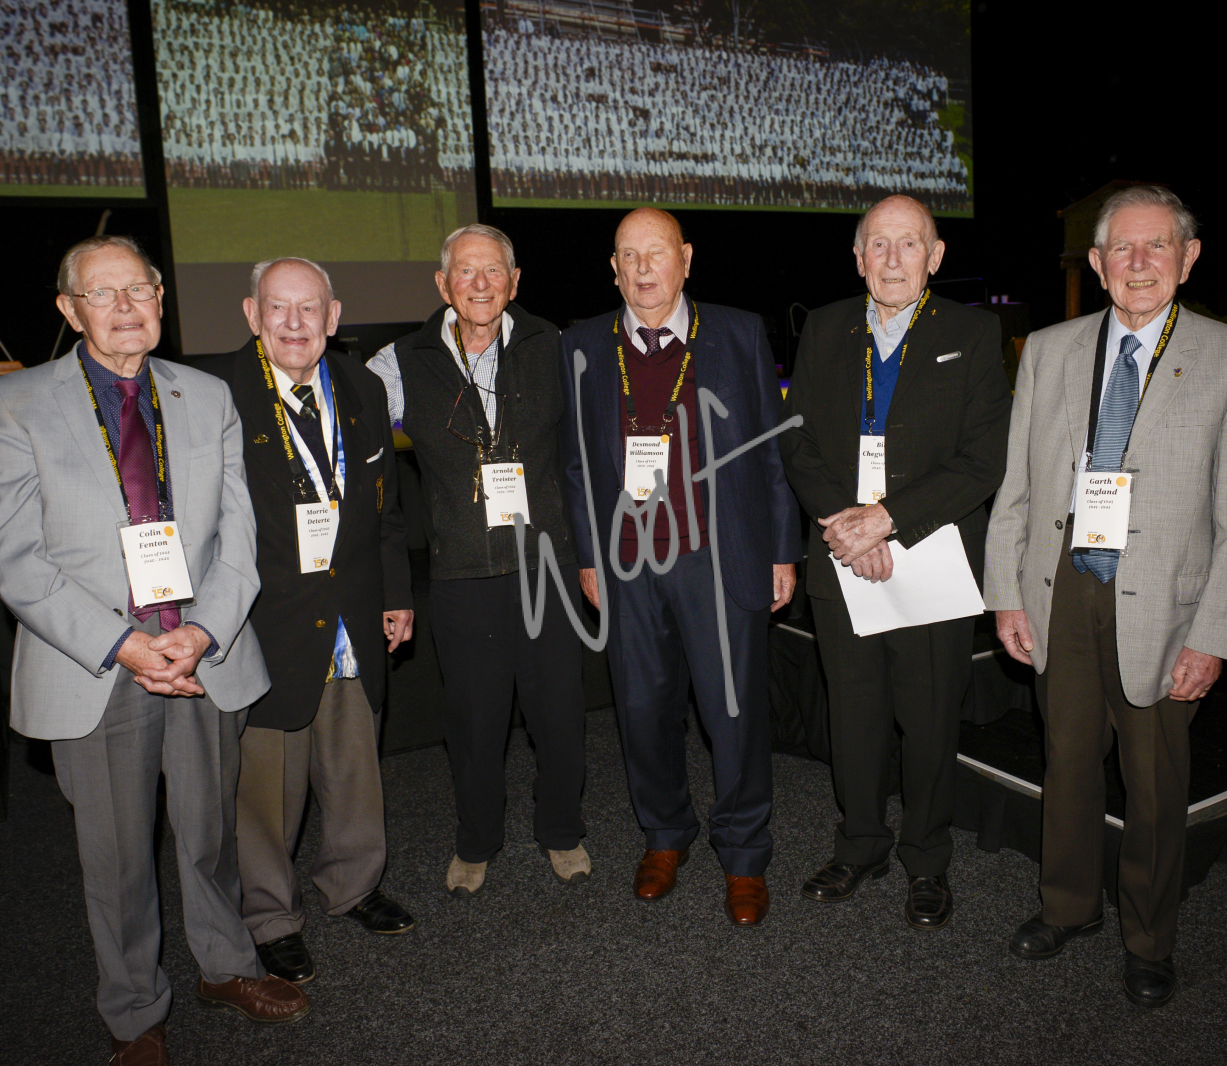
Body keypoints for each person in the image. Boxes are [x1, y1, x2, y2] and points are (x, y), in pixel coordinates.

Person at [0, 236, 308, 1066]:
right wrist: (124, 645)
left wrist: (202, 632)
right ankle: (134, 1014)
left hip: (201, 657)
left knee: (209, 833)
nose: (126, 307)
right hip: (93, 662)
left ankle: (226, 967)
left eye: (140, 290)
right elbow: (14, 557)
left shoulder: (207, 395)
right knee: (118, 857)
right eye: (104, 293)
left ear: (162, 299)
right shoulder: (16, 403)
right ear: (69, 310)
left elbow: (240, 536)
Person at [983, 185, 1227, 1007]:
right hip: (1063, 587)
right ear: (1097, 262)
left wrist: (1213, 636)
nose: (1139, 263)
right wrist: (1006, 593)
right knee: (1068, 761)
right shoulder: (1048, 350)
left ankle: (1149, 940)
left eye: (1158, 246)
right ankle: (1067, 906)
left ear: (1188, 258)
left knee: (1154, 784)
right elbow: (1016, 487)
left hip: (1168, 607)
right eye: (1122, 248)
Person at [560, 208, 800, 926]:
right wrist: (587, 557)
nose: (643, 269)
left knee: (733, 715)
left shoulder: (737, 332)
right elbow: (576, 465)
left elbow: (770, 448)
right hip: (626, 565)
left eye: (656, 253)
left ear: (686, 259)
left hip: (718, 559)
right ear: (613, 269)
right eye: (628, 256)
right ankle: (665, 835)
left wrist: (782, 549)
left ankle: (744, 853)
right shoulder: (582, 344)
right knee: (642, 711)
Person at [779, 194, 1012, 929]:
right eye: (877, 245)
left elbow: (985, 459)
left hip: (932, 557)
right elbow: (796, 439)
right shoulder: (825, 327)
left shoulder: (973, 332)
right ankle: (860, 845)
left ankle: (927, 859)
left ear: (935, 257)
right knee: (853, 716)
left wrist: (886, 520)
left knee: (930, 719)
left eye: (909, 244)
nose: (891, 259)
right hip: (841, 556)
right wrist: (848, 526)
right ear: (858, 258)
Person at [192, 258, 415, 987]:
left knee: (355, 764)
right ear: (251, 314)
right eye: (278, 307)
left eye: (309, 308)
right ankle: (270, 917)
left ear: (333, 315)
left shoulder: (363, 387)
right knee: (267, 786)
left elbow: (384, 507)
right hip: (265, 623)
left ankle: (354, 882)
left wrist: (396, 592)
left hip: (352, 613)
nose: (294, 323)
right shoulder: (216, 395)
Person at [368, 224, 591, 896]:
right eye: (465, 272)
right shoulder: (401, 361)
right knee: (472, 723)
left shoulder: (555, 346)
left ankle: (562, 830)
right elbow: (347, 431)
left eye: (494, 270)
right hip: (463, 574)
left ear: (515, 282)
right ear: (443, 285)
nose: (480, 284)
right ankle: (476, 841)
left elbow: (589, 455)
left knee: (559, 716)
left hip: (548, 567)